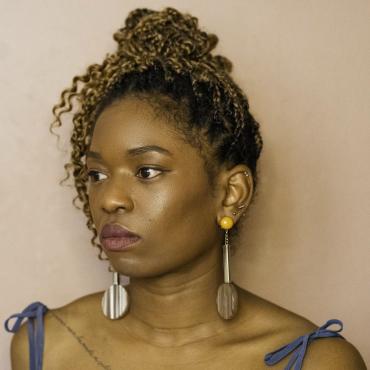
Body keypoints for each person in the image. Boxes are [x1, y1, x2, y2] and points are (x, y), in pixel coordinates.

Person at [4, 7, 366, 370]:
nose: (109, 199)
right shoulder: (47, 347)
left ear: (230, 194)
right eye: (96, 175)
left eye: (146, 171)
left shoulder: (314, 362)